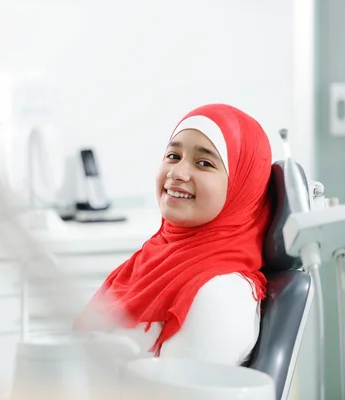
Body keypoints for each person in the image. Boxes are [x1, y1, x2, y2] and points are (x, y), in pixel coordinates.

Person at [75, 103, 274, 366]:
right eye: (173, 156)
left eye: (204, 163)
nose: (177, 173)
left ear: (242, 188)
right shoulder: (153, 257)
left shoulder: (219, 294)